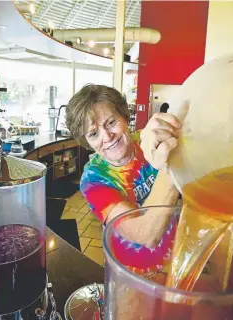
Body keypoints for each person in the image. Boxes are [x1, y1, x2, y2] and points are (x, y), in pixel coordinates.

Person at [66, 84, 184, 272]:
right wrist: (173, 162)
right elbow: (145, 234)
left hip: (176, 259)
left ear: (124, 116)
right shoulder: (93, 179)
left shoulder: (147, 142)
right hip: (131, 273)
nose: (107, 137)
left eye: (111, 122)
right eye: (94, 134)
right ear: (87, 142)